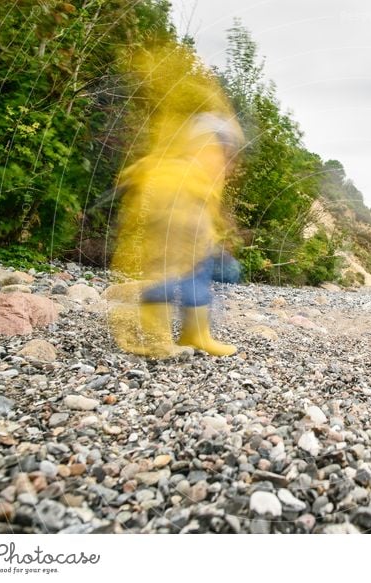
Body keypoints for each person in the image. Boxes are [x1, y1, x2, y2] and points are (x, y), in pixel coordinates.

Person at [109, 47, 244, 359]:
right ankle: (156, 338)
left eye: (226, 157)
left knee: (199, 290)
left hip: (197, 249)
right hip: (167, 249)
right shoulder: (171, 172)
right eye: (220, 154)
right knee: (162, 286)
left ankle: (196, 334)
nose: (225, 164)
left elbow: (209, 212)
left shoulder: (207, 180)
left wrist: (219, 236)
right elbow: (150, 207)